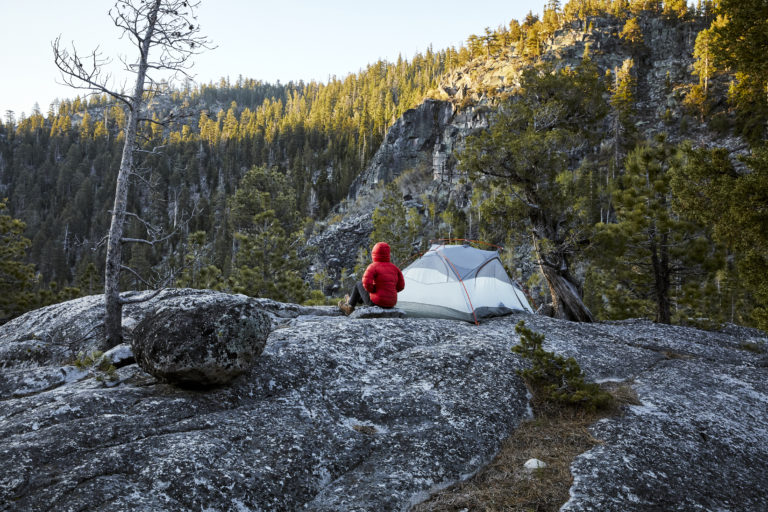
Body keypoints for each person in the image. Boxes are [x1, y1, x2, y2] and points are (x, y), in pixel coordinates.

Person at [338, 241, 405, 315]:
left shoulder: (373, 266)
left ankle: (349, 307)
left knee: (359, 284)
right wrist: (390, 290)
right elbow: (401, 286)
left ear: (374, 253)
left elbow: (366, 283)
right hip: (391, 303)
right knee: (364, 289)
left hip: (376, 302)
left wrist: (373, 291)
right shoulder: (395, 268)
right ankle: (351, 300)